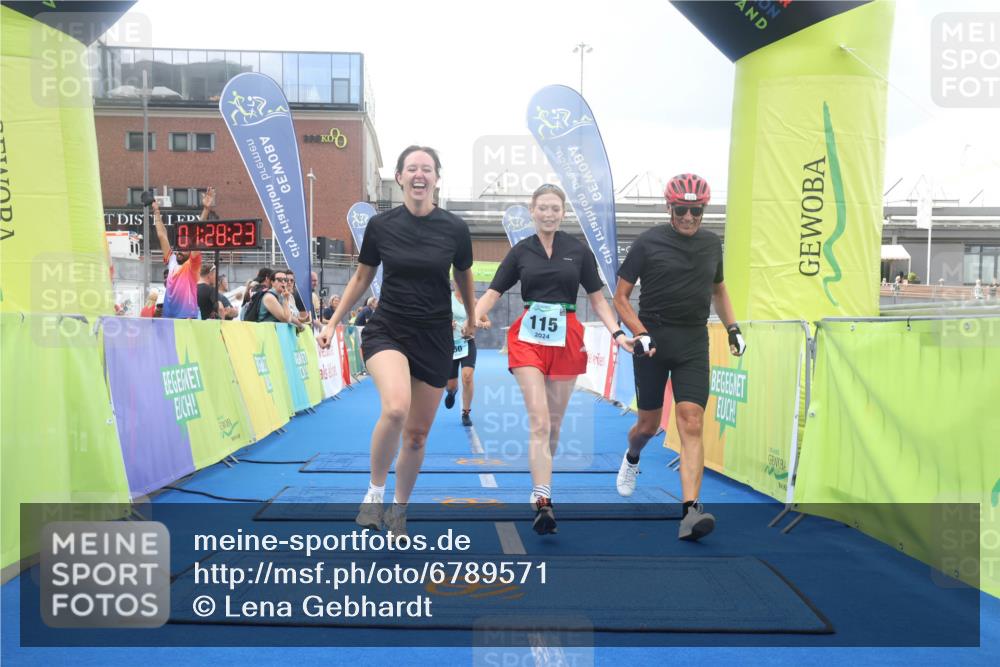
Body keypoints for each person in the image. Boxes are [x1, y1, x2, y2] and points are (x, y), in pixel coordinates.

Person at [317, 145, 475, 538]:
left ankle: (399, 512)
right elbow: (361, 278)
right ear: (400, 177)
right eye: (411, 169)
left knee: (418, 435)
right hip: (388, 328)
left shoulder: (455, 229)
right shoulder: (382, 226)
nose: (419, 175)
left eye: (427, 169)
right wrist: (333, 321)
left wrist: (472, 315)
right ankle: (374, 494)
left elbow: (464, 277)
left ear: (437, 177)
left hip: (435, 335)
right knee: (395, 408)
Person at [474, 184, 633, 535]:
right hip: (528, 339)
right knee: (540, 422)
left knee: (555, 426)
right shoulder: (520, 252)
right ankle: (543, 499)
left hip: (567, 337)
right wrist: (473, 317)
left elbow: (599, 299)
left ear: (563, 213)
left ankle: (541, 482)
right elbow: (493, 291)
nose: (548, 214)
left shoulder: (577, 251)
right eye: (542, 207)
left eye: (555, 208)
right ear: (532, 210)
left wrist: (618, 333)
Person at [612, 173, 745, 542]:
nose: (689, 217)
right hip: (652, 340)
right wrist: (639, 332)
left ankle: (690, 511)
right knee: (648, 427)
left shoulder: (710, 244)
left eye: (697, 211)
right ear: (670, 208)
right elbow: (620, 298)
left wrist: (732, 327)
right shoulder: (648, 242)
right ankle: (632, 456)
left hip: (691, 341)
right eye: (682, 210)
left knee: (691, 420)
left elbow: (718, 288)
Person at [153, 187, 215, 318]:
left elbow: (196, 234)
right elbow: (161, 235)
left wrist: (206, 210)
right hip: (168, 318)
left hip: (187, 319)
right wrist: (156, 211)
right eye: (179, 247)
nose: (179, 250)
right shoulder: (172, 260)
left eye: (184, 247)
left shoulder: (193, 266)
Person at [444, 280, 490, 427]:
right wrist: (446, 323)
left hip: (467, 343)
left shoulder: (474, 302)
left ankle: (466, 413)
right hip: (450, 345)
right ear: (455, 283)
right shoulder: (447, 299)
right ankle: (452, 392)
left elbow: (488, 323)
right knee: (450, 385)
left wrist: (482, 324)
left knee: (467, 377)